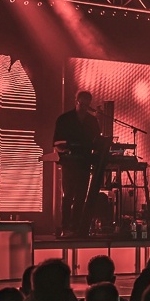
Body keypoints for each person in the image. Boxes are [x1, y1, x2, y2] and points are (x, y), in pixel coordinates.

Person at [52, 90, 103, 236]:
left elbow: (97, 141)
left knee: (81, 196)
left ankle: (76, 227)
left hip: (84, 162)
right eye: (82, 104)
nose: (84, 107)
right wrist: (66, 150)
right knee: (68, 195)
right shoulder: (64, 119)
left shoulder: (92, 121)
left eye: (87, 105)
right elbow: (56, 142)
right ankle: (65, 227)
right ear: (76, 102)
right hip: (70, 163)